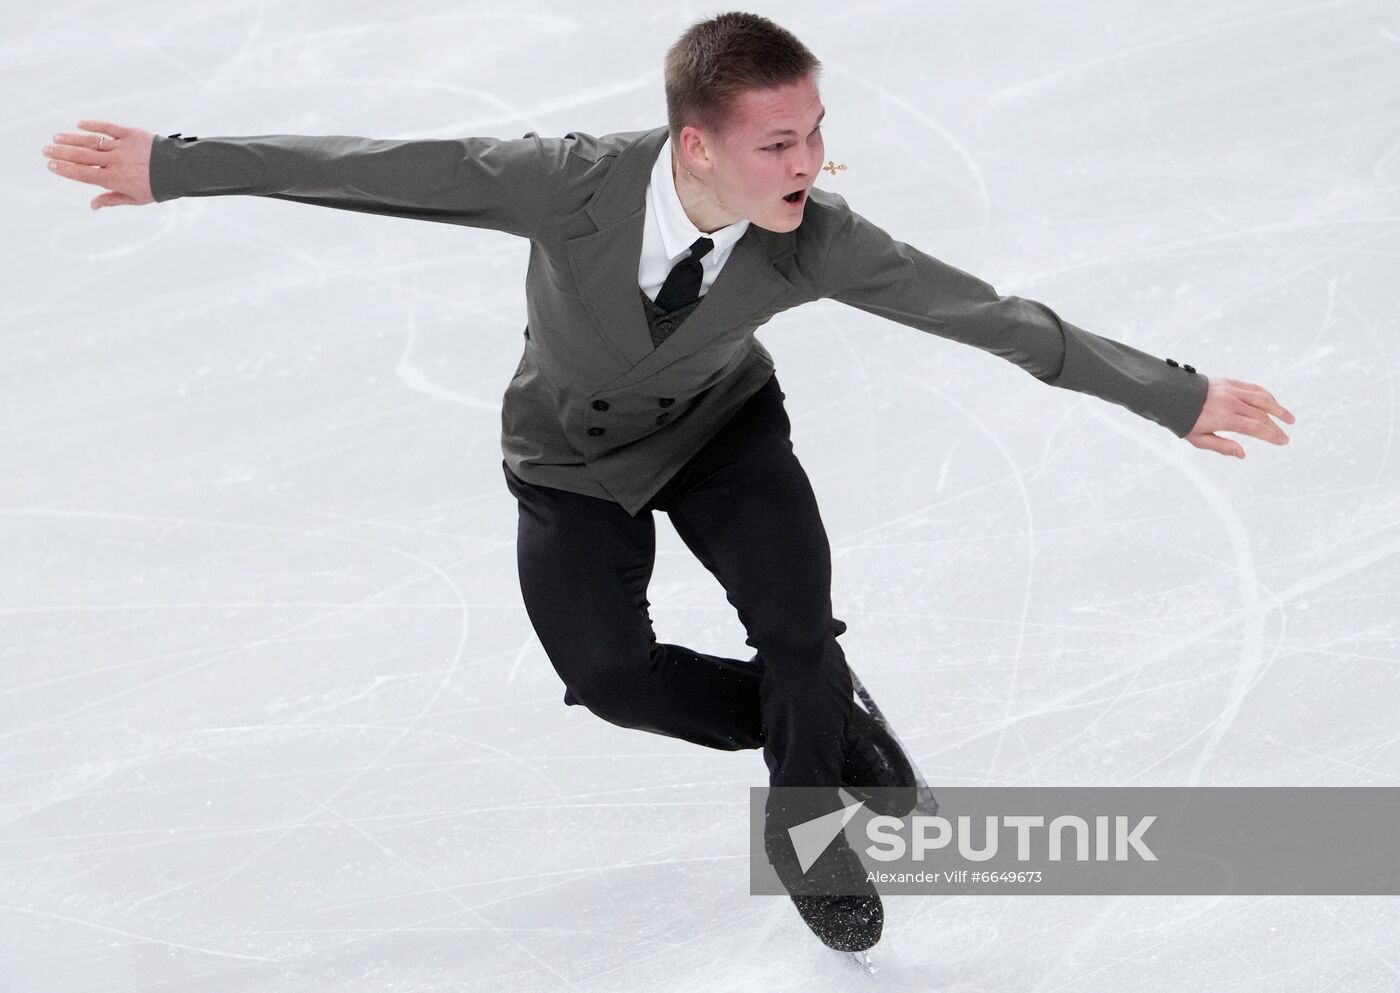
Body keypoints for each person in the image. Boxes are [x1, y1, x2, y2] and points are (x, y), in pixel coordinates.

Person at [41, 10, 1294, 956]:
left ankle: (810, 829)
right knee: (605, 675)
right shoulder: (568, 181)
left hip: (721, 434)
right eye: (778, 140)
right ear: (697, 143)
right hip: (565, 460)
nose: (810, 159)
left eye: (815, 132)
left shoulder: (817, 241)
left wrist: (1166, 394)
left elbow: (983, 314)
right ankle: (827, 727)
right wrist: (179, 163)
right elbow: (379, 164)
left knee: (794, 626)